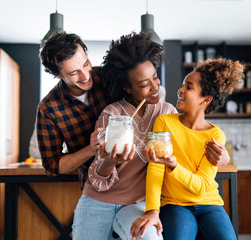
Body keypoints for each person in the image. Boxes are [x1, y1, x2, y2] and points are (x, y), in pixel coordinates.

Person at [73, 33, 231, 240]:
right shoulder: (113, 115)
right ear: (127, 88)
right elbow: (96, 175)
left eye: (155, 77)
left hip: (139, 203)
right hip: (99, 200)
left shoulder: (167, 113)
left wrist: (224, 158)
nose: (155, 87)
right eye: (144, 84)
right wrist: (109, 162)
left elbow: (185, 148)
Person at [130, 58, 244, 240]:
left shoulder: (215, 135)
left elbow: (202, 187)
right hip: (175, 205)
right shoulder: (165, 122)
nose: (180, 90)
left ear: (206, 99)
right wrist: (152, 211)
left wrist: (174, 167)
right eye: (183, 85)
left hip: (210, 204)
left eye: (189, 87)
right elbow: (156, 169)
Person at [36, 32, 110, 189]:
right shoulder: (48, 109)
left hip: (134, 182)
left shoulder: (109, 78)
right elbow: (52, 166)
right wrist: (90, 149)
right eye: (73, 73)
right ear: (57, 75)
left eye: (86, 64)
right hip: (93, 188)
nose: (85, 76)